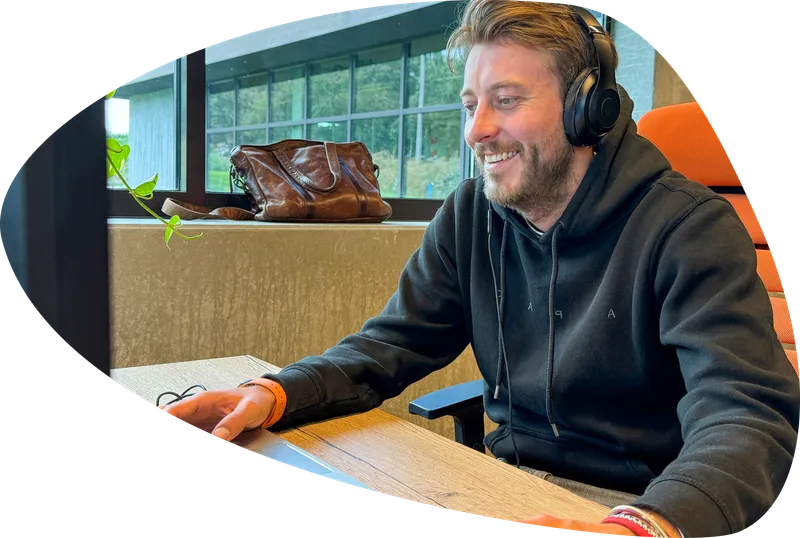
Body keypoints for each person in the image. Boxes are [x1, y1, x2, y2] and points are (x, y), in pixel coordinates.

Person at [161, 1, 800, 536]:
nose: (477, 130)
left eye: (507, 100)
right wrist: (276, 393)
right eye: (471, 105)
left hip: (648, 507)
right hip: (506, 486)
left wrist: (646, 524)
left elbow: (747, 414)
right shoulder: (472, 214)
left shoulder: (689, 227)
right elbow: (389, 344)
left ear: (587, 109)